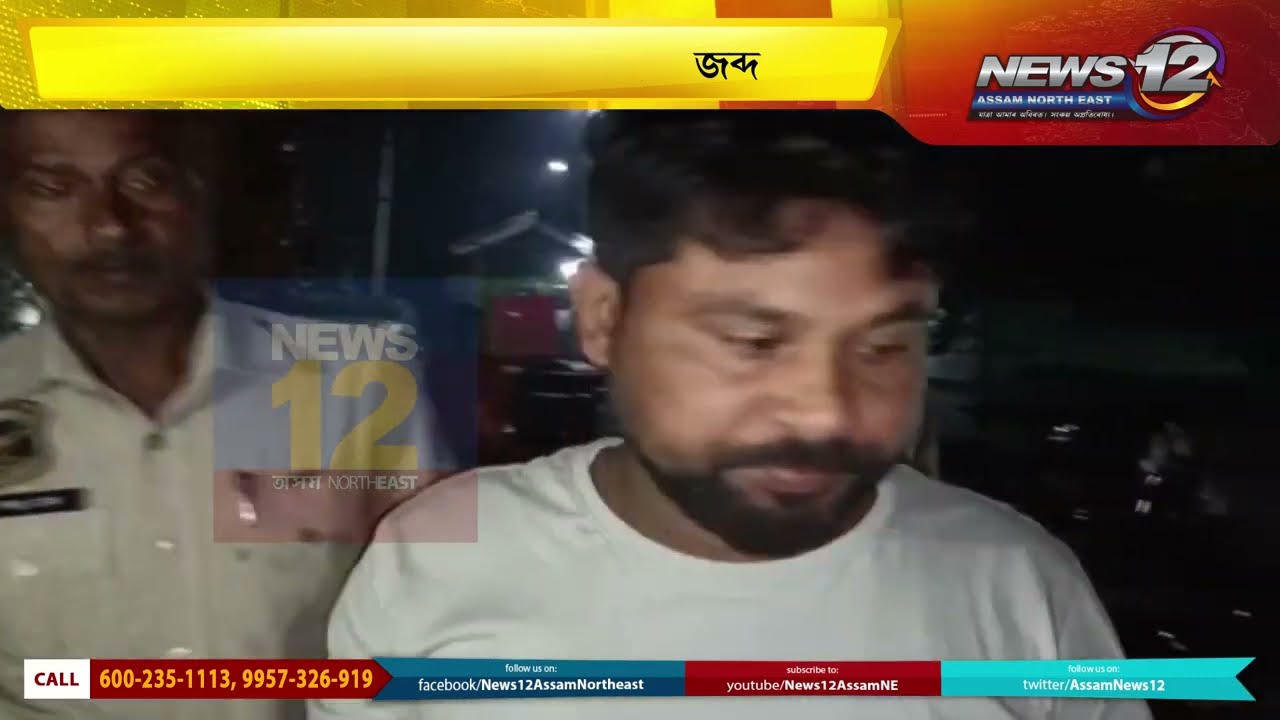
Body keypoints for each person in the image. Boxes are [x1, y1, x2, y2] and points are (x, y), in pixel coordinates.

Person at [312, 112, 1151, 720]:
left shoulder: (1016, 579)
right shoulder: (443, 552)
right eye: (753, 342)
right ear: (604, 318)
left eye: (883, 346)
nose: (825, 411)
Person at [0, 111, 444, 720]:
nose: (109, 225)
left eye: (145, 180)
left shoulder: (357, 385)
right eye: (53, 187)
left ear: (197, 193)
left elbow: (437, 625)